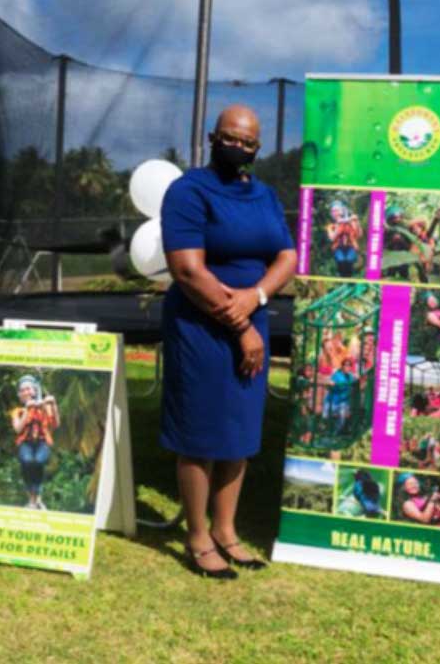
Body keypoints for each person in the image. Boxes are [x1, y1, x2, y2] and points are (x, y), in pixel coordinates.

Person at [160, 104, 297, 578]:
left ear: (258, 148)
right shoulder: (187, 191)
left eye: (249, 142)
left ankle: (226, 530)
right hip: (201, 323)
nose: (239, 147)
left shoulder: (263, 195)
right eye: (231, 138)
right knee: (199, 432)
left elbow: (286, 255)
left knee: (238, 432)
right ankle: (197, 537)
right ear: (212, 137)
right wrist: (238, 324)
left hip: (250, 320)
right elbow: (187, 269)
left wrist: (255, 298)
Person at [11, 375, 59, 510]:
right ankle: (33, 499)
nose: (26, 392)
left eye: (29, 389)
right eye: (23, 390)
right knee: (26, 461)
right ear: (19, 394)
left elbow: (55, 424)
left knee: (38, 461)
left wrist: (53, 405)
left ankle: (36, 498)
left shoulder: (44, 407)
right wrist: (27, 410)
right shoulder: (18, 411)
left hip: (42, 441)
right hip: (25, 442)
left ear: (34, 391)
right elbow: (18, 429)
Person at [325, 199, 362, 276]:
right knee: (341, 260)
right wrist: (338, 226)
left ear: (342, 211)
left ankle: (350, 276)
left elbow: (359, 235)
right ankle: (342, 276)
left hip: (351, 246)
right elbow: (331, 238)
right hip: (338, 247)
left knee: (349, 260)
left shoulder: (351, 223)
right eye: (333, 211)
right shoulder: (331, 226)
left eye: (337, 210)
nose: (335, 213)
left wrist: (357, 222)